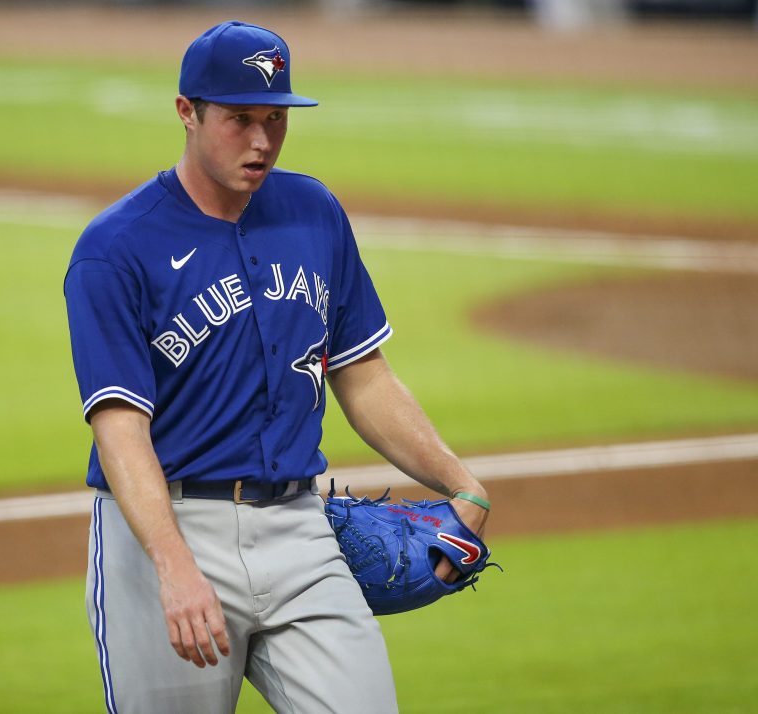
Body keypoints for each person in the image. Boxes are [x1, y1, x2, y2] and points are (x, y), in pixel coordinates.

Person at [64, 20, 490, 714]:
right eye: (240, 120)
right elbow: (120, 429)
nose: (262, 141)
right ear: (187, 112)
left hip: (299, 527)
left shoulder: (313, 212)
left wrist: (461, 484)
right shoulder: (115, 248)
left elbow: (364, 374)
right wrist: (173, 565)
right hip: (166, 531)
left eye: (275, 119)